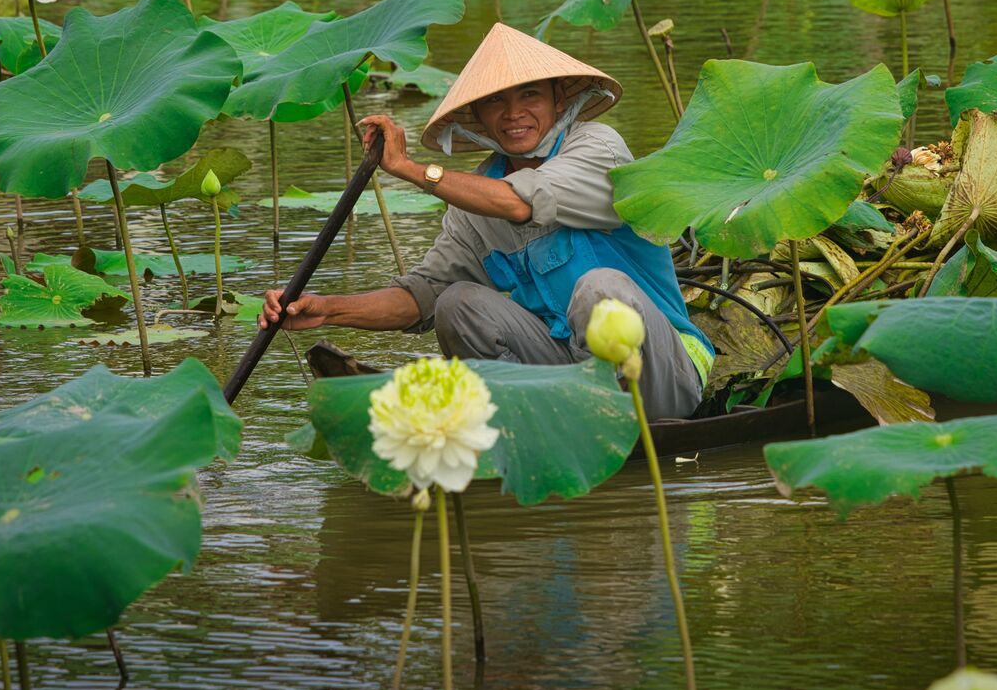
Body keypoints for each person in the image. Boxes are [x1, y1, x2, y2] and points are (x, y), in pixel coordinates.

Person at [259, 23, 714, 417]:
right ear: (477, 117)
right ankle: (550, 421)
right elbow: (422, 298)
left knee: (600, 291)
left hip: (661, 373)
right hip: (573, 382)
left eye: (529, 95)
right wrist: (327, 309)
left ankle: (606, 422)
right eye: (496, 101)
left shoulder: (598, 148)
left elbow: (520, 202)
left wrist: (410, 169)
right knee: (457, 303)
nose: (513, 113)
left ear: (559, 99)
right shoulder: (473, 199)